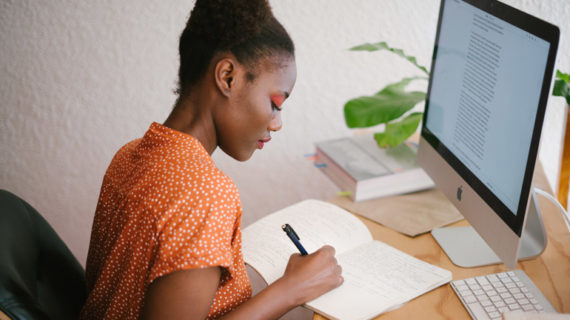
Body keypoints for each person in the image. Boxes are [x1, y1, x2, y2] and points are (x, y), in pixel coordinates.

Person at [80, 0, 343, 319]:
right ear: (228, 77)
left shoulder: (129, 154)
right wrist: (291, 289)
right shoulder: (206, 194)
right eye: (275, 103)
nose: (277, 123)